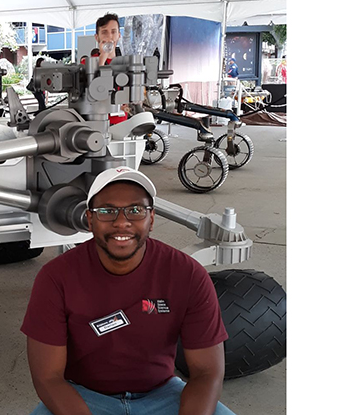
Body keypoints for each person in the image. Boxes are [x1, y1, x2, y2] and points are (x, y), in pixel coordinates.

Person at [22, 167, 234, 415]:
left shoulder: (188, 274)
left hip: (163, 394)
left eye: (135, 210)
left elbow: (207, 372)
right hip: (84, 396)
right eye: (107, 211)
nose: (121, 222)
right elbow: (48, 377)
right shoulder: (56, 278)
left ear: (151, 219)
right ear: (90, 220)